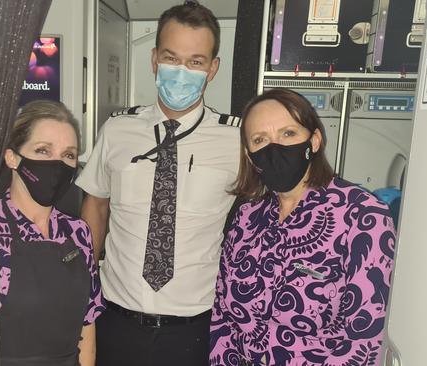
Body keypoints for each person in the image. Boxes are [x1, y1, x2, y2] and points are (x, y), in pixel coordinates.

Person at [75, 2, 241, 366]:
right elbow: (96, 204)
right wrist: (82, 284)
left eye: (195, 61)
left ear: (212, 69)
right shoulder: (117, 130)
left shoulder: (236, 141)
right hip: (116, 319)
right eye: (171, 57)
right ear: (154, 60)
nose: (181, 71)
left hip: (196, 327)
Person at [209, 88, 397, 366]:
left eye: (288, 134)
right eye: (260, 140)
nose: (274, 148)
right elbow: (223, 314)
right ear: (250, 156)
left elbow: (365, 341)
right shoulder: (247, 217)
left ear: (315, 140)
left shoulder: (362, 216)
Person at [0, 100, 104, 366]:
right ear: (12, 157)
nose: (57, 164)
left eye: (69, 155)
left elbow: (87, 326)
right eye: (43, 151)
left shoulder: (77, 233)